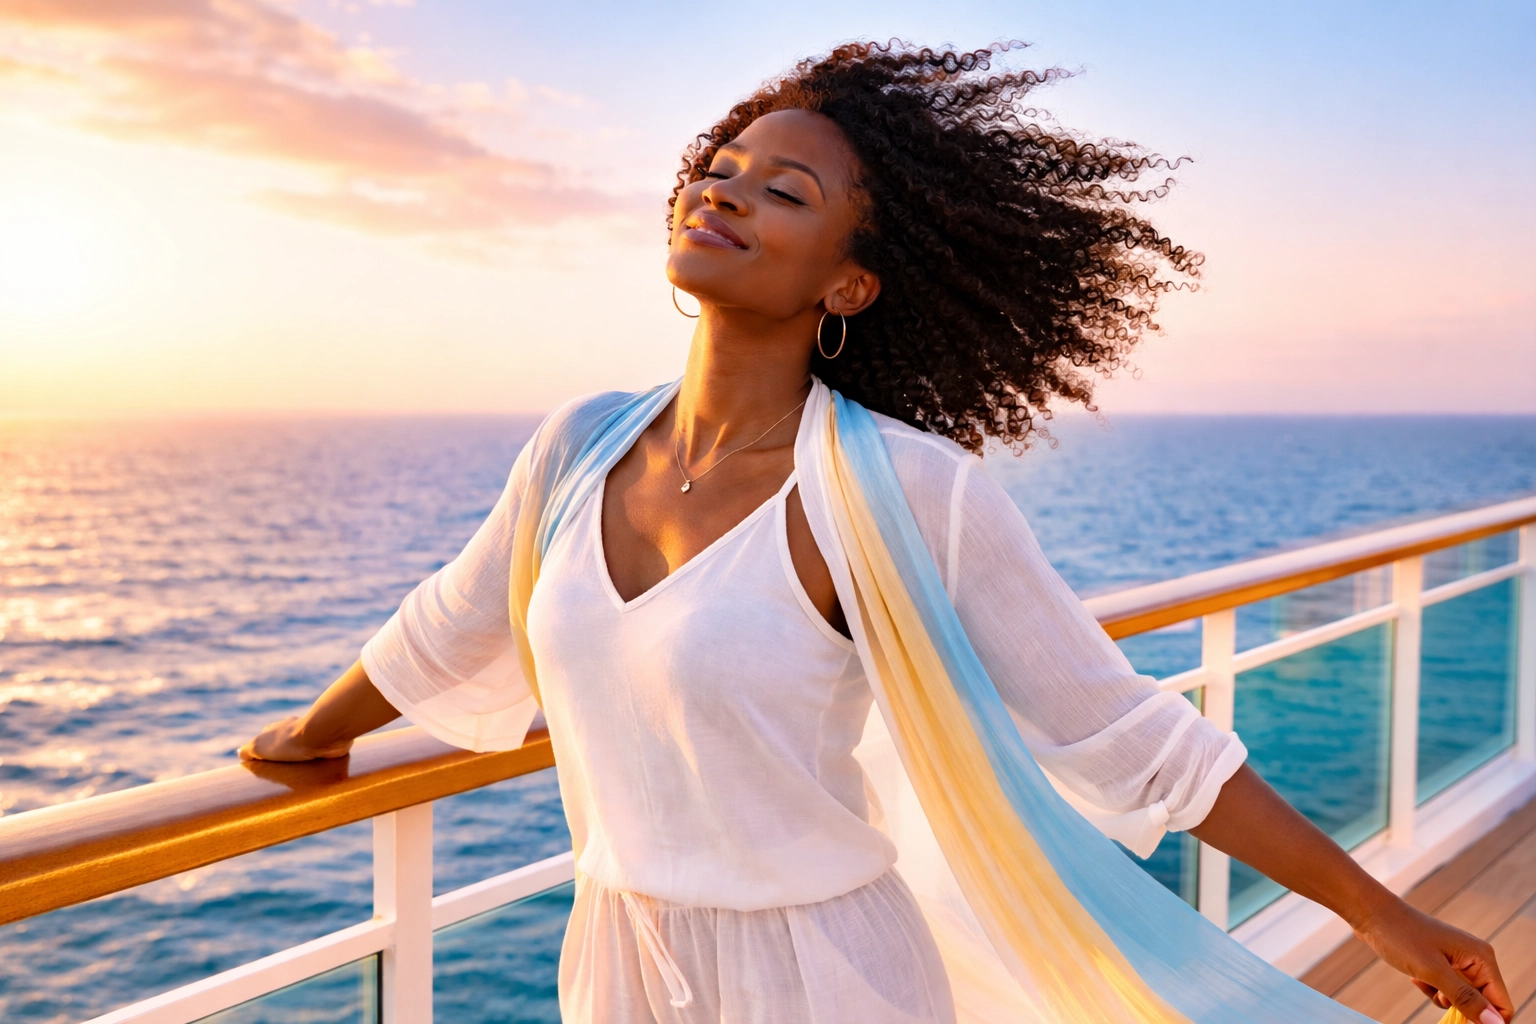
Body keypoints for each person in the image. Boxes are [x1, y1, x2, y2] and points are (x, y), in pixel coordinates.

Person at [241, 41, 1509, 1024]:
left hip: (832, 973)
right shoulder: (578, 448)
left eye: (781, 191)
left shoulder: (907, 489)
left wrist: (1387, 915)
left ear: (847, 285)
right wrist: (309, 735)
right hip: (621, 962)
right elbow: (449, 624)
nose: (725, 191)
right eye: (720, 166)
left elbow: (1134, 740)